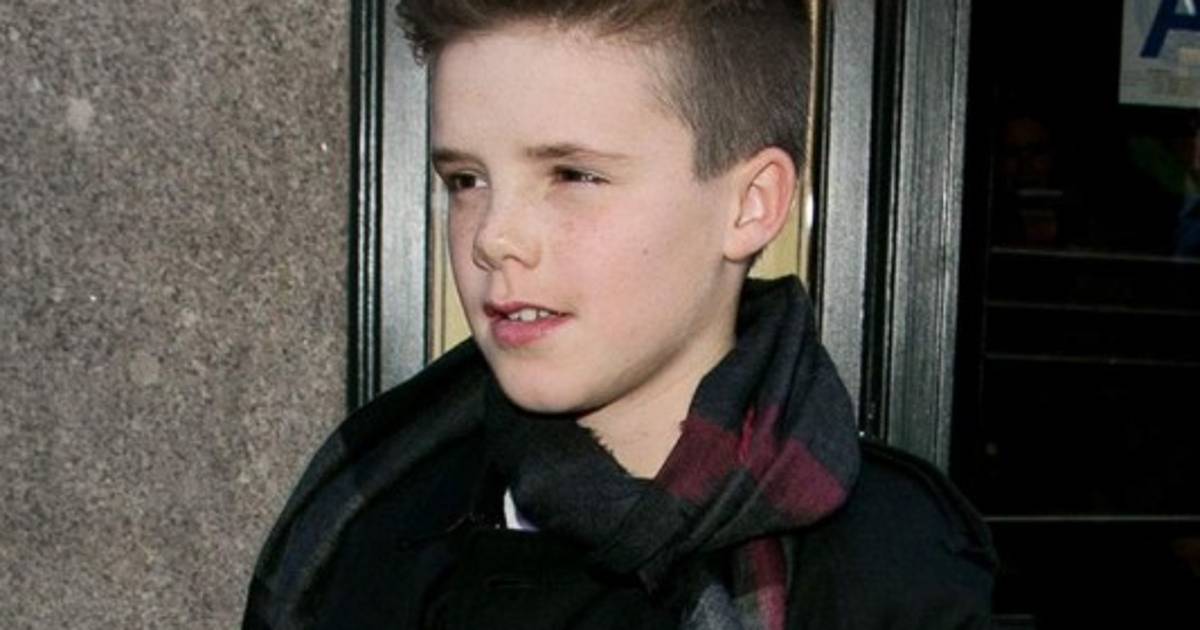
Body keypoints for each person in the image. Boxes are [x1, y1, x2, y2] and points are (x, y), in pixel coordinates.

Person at [242, 1, 996, 628]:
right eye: (466, 179)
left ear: (750, 204)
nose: (494, 236)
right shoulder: (374, 519)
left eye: (573, 174)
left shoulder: (890, 573)